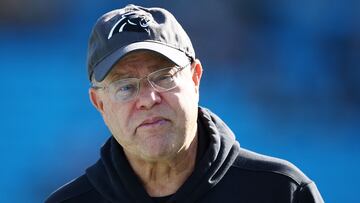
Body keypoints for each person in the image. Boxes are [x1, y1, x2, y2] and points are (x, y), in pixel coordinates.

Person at [45, 4, 324, 203]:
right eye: (126, 86)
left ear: (195, 78)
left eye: (164, 77)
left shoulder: (281, 192)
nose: (148, 99)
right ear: (100, 104)